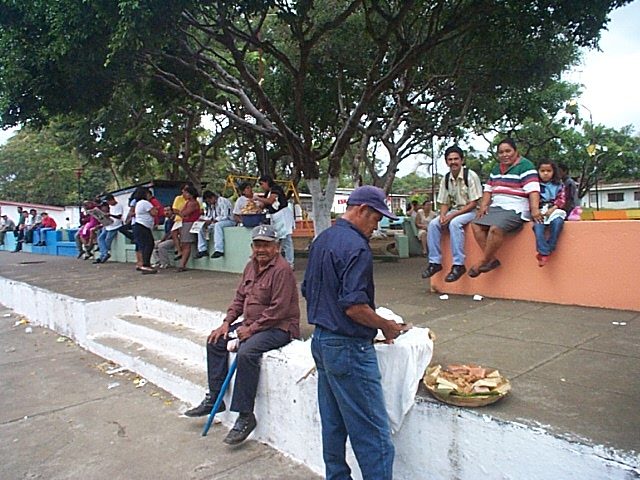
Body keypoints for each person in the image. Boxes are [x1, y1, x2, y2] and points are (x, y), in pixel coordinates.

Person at [302, 185, 404, 480]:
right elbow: (354, 307)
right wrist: (385, 325)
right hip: (348, 347)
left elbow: (308, 289)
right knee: (373, 434)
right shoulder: (357, 246)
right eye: (376, 219)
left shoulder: (323, 239)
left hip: (321, 341)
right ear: (362, 210)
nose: (376, 227)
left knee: (333, 424)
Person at [184, 224, 300, 446]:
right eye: (257, 245)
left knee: (247, 352)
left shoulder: (282, 270)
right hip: (251, 324)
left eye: (266, 245)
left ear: (276, 247)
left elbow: (278, 310)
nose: (261, 249)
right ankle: (215, 397)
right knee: (215, 341)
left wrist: (251, 329)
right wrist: (226, 323)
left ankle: (246, 415)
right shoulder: (250, 266)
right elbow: (239, 298)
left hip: (279, 327)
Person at [469, 138, 541, 277]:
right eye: (501, 152)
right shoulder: (496, 169)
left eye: (508, 151)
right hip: (496, 207)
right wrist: (483, 205)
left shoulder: (526, 166)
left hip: (516, 207)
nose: (504, 155)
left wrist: (535, 209)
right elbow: (488, 189)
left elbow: (533, 190)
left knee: (495, 228)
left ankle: (483, 261)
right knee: (476, 224)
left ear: (516, 151)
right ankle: (492, 260)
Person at [422, 145, 483, 282]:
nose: (453, 162)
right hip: (455, 210)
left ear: (462, 160)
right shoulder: (446, 179)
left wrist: (451, 216)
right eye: (450, 159)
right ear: (446, 162)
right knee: (433, 224)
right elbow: (444, 202)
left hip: (473, 211)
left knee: (454, 223)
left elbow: (473, 203)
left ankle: (458, 264)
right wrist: (443, 215)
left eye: (456, 159)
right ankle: (435, 262)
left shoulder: (471, 176)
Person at [254, 175, 295, 268]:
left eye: (262, 184)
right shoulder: (267, 192)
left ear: (267, 182)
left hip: (283, 215)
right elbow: (264, 204)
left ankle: (290, 262)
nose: (261, 186)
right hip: (275, 217)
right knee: (277, 238)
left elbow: (270, 201)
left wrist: (258, 198)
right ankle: (278, 260)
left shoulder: (276, 189)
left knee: (286, 239)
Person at [533, 160, 566, 267]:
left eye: (549, 171)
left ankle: (548, 249)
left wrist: (553, 209)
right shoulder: (535, 185)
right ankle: (544, 252)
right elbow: (531, 200)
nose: (545, 173)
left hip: (554, 209)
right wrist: (536, 210)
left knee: (557, 223)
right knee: (538, 227)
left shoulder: (559, 184)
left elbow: (561, 199)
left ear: (553, 172)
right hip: (539, 211)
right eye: (542, 171)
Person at [196, 191, 236, 259]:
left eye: (209, 201)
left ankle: (219, 250)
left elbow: (225, 216)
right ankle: (202, 250)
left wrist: (212, 220)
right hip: (215, 222)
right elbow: (209, 215)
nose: (209, 203)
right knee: (200, 226)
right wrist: (204, 220)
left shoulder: (222, 201)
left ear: (213, 197)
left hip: (229, 221)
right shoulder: (211, 205)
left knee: (218, 225)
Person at [132, 187, 158, 274]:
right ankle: (146, 265)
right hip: (143, 226)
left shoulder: (139, 203)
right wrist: (156, 208)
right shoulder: (145, 203)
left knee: (145, 245)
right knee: (149, 245)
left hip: (140, 226)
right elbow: (154, 213)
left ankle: (145, 264)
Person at [175, 185, 201, 272]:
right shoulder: (188, 202)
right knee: (185, 244)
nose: (184, 195)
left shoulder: (193, 203)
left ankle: (182, 265)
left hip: (189, 224)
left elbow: (184, 213)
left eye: (186, 193)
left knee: (186, 244)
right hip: (186, 223)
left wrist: (180, 213)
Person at [94, 194, 124, 264]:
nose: (108, 203)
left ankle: (102, 256)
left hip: (115, 225)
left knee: (107, 240)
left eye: (109, 201)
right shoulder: (110, 207)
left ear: (112, 200)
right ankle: (104, 254)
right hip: (108, 225)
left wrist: (110, 215)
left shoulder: (119, 206)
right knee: (100, 238)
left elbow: (119, 216)